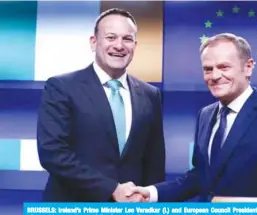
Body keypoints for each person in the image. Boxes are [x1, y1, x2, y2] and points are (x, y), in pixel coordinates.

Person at [130, 33, 257, 202]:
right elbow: (200, 177)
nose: (214, 76)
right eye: (208, 69)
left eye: (224, 67)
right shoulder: (205, 115)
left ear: (248, 67)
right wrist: (150, 193)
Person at [37, 8, 166, 202]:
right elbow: (52, 153)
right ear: (93, 42)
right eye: (111, 37)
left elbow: (154, 161)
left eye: (127, 39)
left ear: (135, 45)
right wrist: (112, 189)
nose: (119, 45)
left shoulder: (150, 94)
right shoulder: (62, 87)